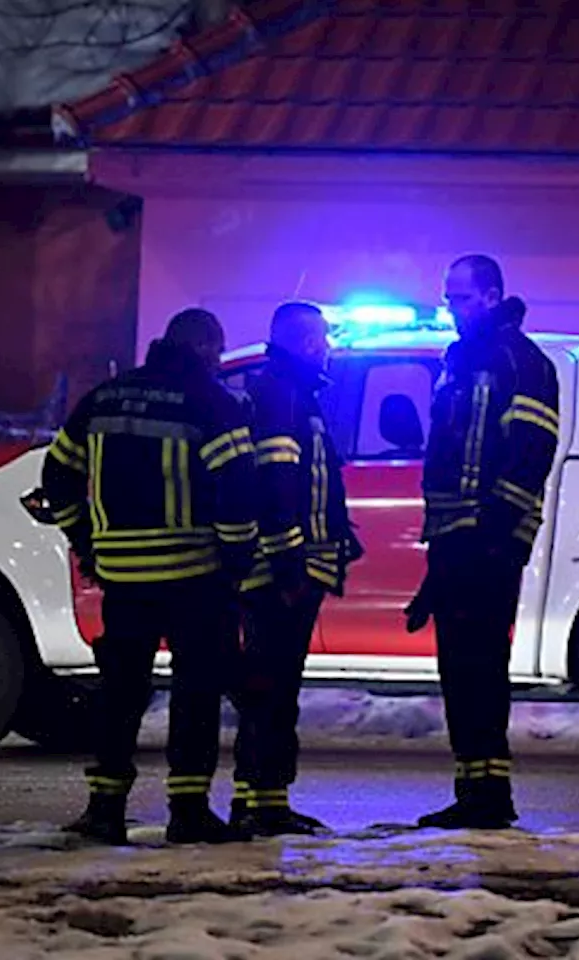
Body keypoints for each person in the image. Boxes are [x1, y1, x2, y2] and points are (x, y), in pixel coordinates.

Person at [41, 307, 259, 846]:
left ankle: (105, 809)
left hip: (122, 576)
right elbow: (237, 486)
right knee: (196, 692)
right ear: (208, 349)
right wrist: (236, 557)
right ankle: (188, 812)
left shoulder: (106, 396)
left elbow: (57, 474)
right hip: (193, 574)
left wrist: (87, 540)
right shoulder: (211, 402)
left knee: (120, 694)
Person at [407, 255, 560, 829]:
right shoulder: (459, 362)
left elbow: (529, 451)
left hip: (489, 539)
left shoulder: (522, 363)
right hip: (455, 538)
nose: (452, 306)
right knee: (460, 669)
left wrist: (492, 534)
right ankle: (474, 788)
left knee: (480, 665)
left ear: (492, 297)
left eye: (463, 297)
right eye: (448, 296)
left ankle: (490, 796)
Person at [229, 301, 361, 836]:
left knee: (274, 688)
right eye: (322, 338)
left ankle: (263, 798)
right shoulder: (283, 394)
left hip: (289, 566)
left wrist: (339, 532)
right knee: (272, 689)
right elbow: (279, 484)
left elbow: (309, 481)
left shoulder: (288, 392)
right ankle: (260, 802)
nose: (326, 347)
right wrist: (289, 566)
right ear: (305, 342)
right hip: (282, 572)